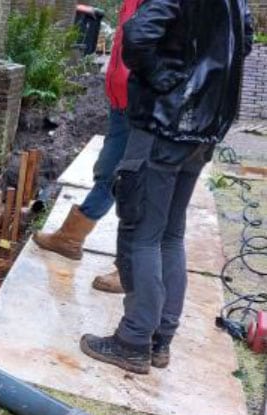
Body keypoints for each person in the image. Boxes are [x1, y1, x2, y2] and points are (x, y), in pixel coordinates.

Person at [80, 0, 253, 374]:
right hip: (203, 129)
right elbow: (245, 40)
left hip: (165, 125)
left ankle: (134, 339)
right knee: (171, 234)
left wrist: (163, 80)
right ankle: (160, 339)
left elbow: (138, 35)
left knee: (142, 233)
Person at [33, 0, 144, 294]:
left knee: (134, 182)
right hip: (122, 103)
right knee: (108, 172)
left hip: (142, 106)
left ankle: (130, 267)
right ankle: (70, 239)